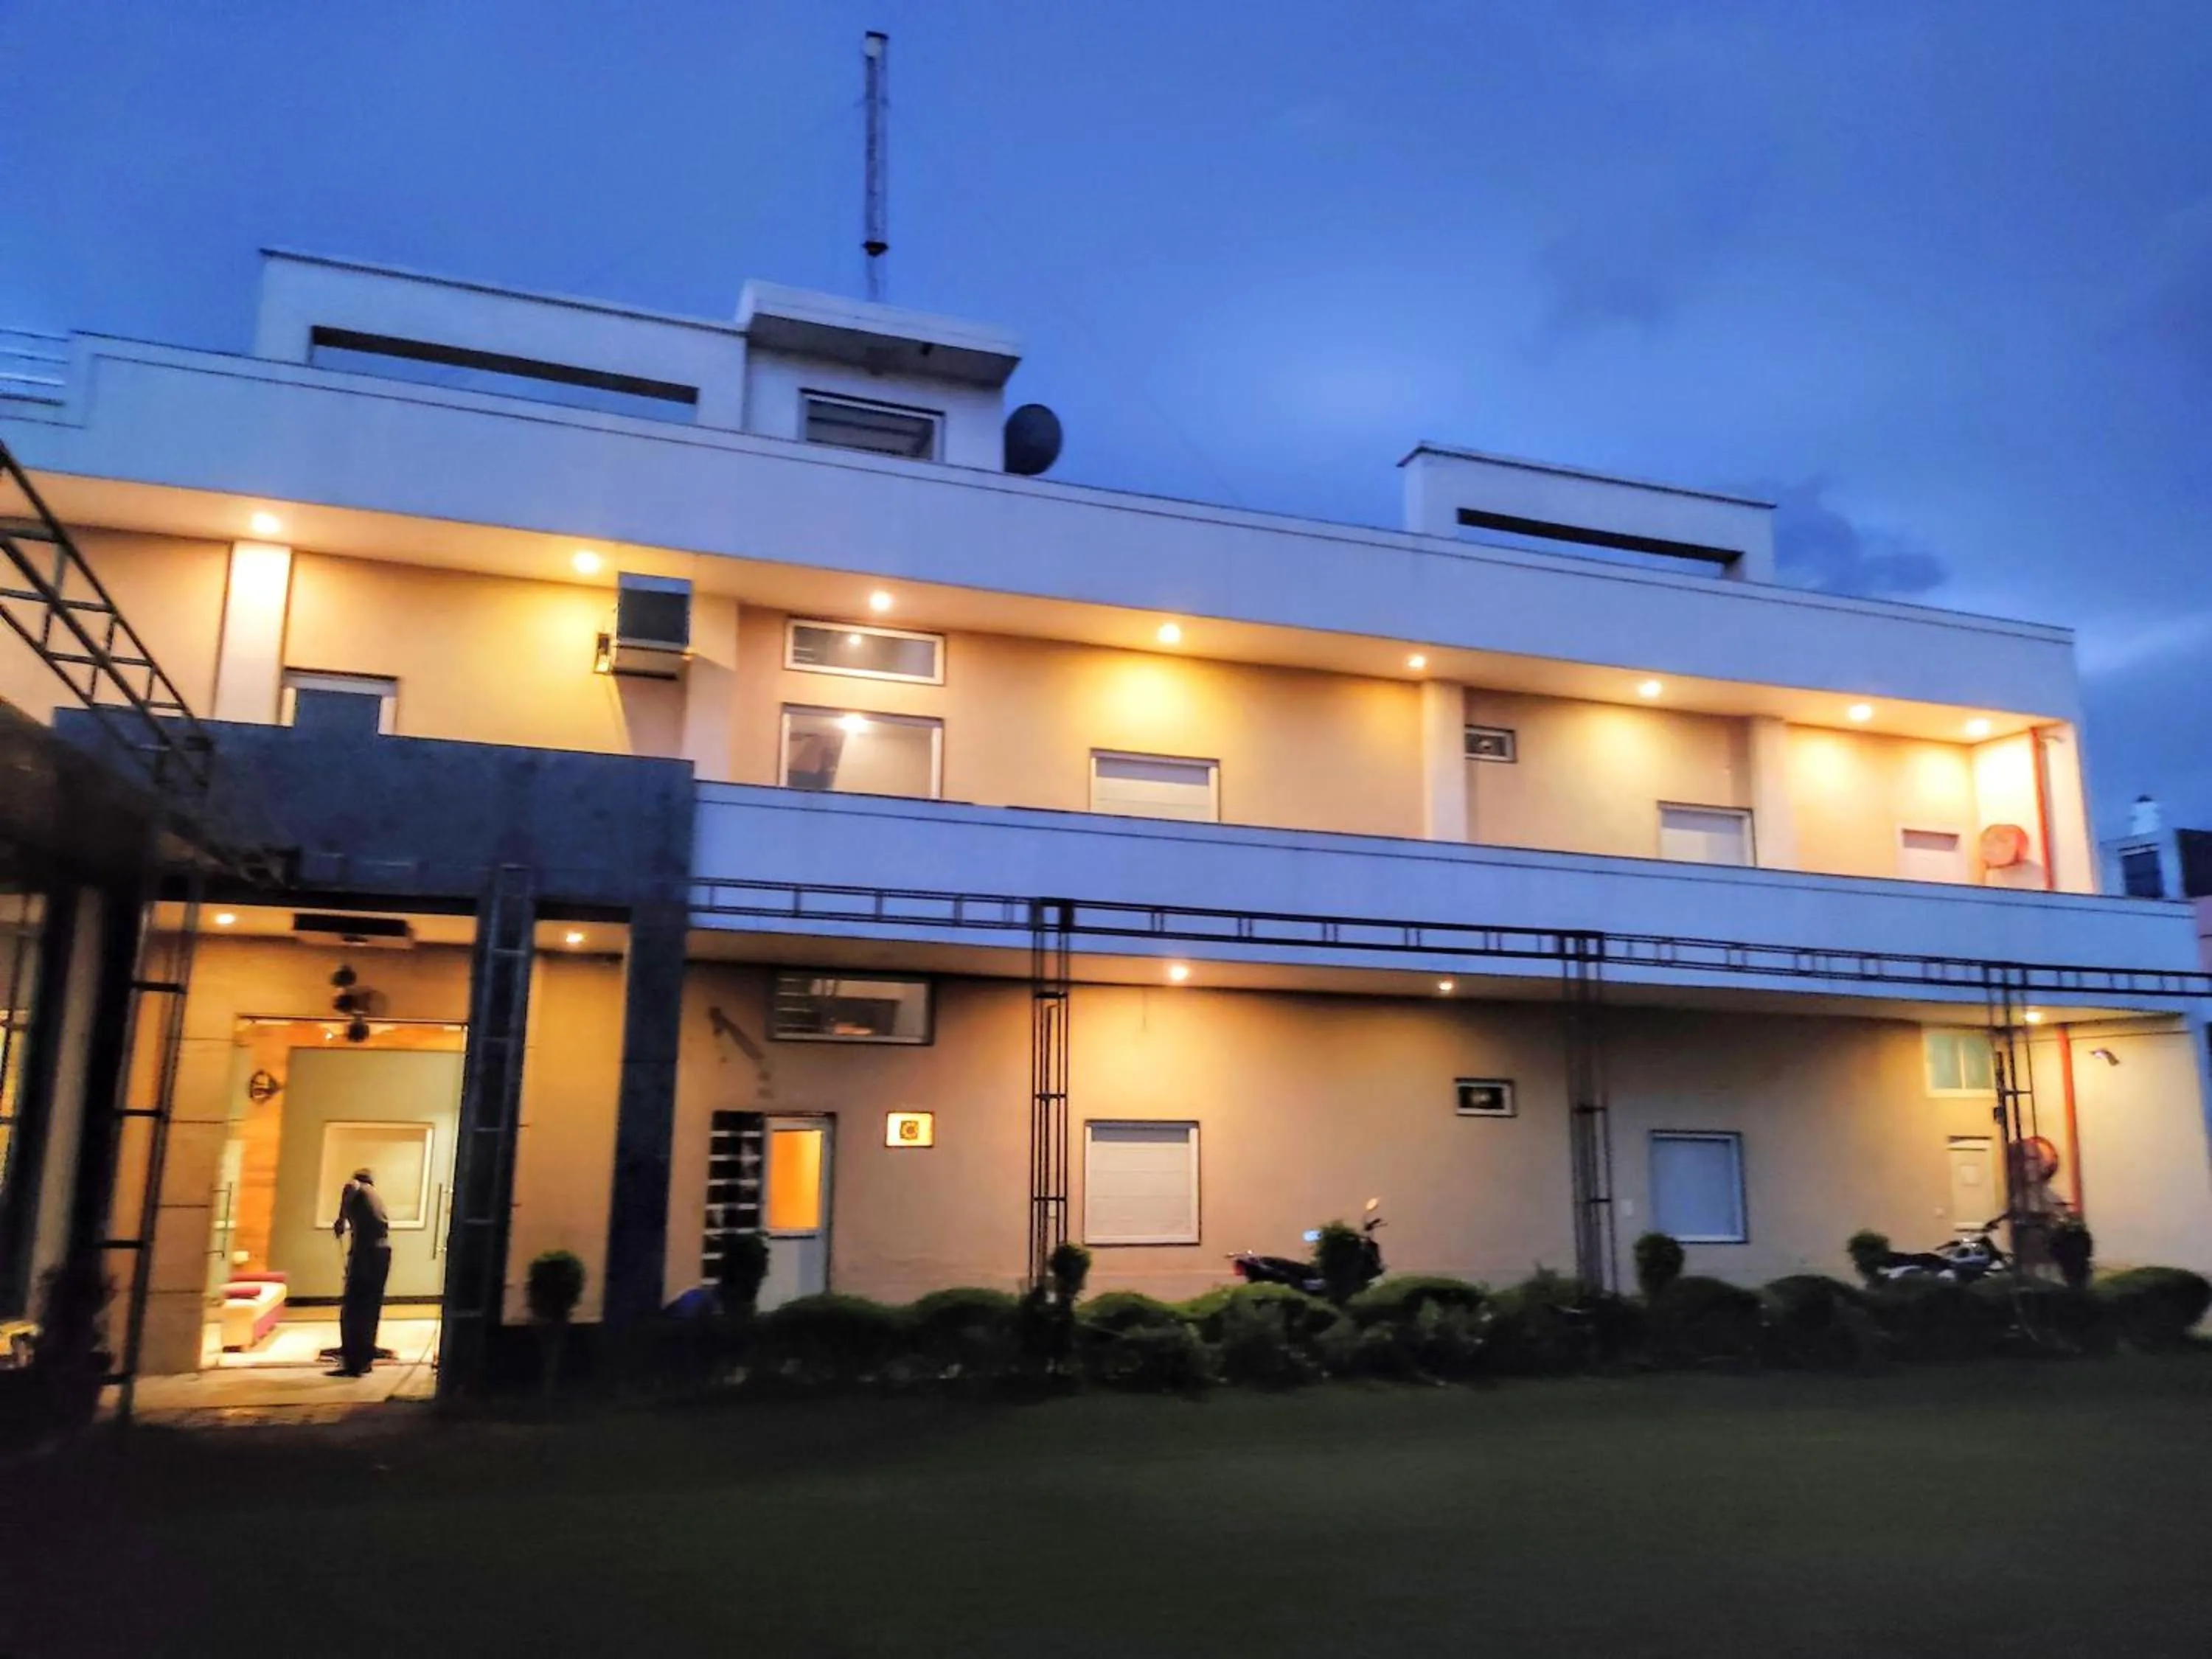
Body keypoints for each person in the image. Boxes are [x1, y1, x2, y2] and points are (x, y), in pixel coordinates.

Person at [331, 1166, 391, 1377]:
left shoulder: (358, 1187)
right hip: (382, 1253)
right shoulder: (375, 1196)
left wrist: (341, 1219)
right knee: (370, 1307)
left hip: (366, 1251)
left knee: (354, 1307)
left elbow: (350, 1187)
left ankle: (353, 1363)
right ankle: (365, 1357)